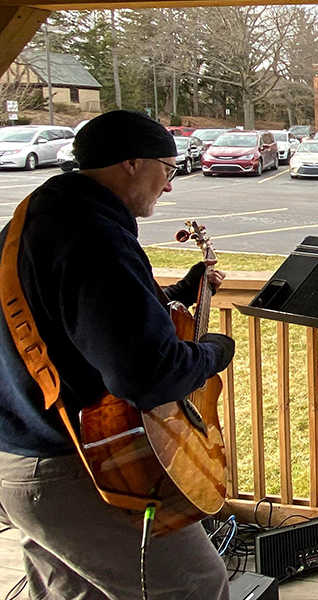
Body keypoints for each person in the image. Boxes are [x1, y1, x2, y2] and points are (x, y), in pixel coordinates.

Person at [0, 110, 236, 599]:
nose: (169, 186)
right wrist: (213, 352)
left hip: (21, 456)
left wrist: (177, 292)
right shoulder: (94, 235)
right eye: (168, 170)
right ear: (131, 163)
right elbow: (147, 373)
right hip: (74, 466)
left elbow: (77, 319)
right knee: (193, 585)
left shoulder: (42, 215)